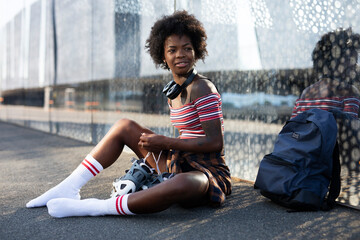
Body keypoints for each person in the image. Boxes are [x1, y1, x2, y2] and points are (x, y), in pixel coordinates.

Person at [26, 10, 232, 218]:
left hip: (207, 171)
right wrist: (162, 144)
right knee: (124, 126)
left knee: (183, 182)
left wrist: (165, 142)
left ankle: (96, 207)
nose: (180, 55)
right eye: (173, 50)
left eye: (187, 48)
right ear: (163, 55)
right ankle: (69, 187)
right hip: (178, 161)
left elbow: (215, 143)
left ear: (196, 51)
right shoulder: (173, 91)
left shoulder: (203, 88)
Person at [291, 27, 360, 119]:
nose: (355, 66)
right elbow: (350, 129)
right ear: (338, 62)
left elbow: (295, 126)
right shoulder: (349, 92)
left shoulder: (306, 92)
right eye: (352, 61)